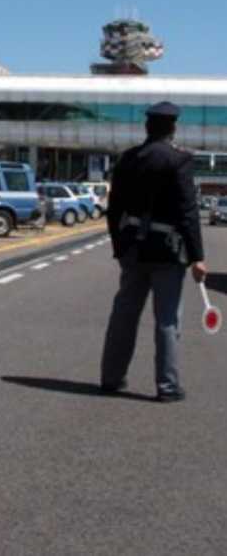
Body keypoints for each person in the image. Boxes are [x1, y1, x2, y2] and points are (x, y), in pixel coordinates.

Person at [100, 101, 206, 402]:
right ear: (172, 127)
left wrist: (119, 246)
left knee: (124, 315)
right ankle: (167, 386)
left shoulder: (128, 159)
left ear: (147, 126)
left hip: (133, 249)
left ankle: (111, 377)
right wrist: (197, 257)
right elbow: (188, 212)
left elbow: (114, 209)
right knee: (167, 320)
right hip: (168, 253)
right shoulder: (179, 160)